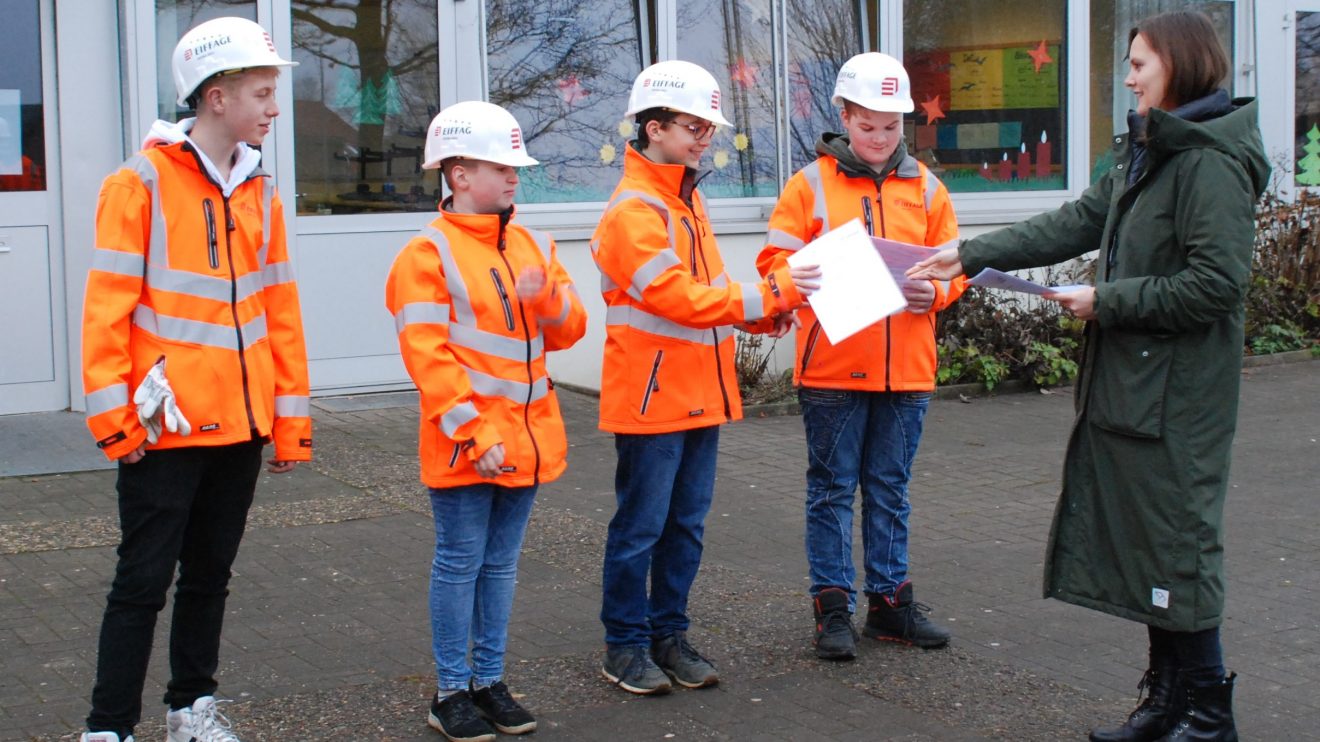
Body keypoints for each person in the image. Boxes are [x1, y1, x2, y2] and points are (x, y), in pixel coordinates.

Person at [910, 11, 1267, 741]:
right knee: (1148, 546)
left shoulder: (1208, 164)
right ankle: (1167, 701)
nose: (1128, 77)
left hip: (1179, 398)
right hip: (1137, 390)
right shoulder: (1151, 150)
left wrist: (1107, 300)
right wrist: (970, 254)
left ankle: (1206, 713)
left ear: (1182, 66)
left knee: (1179, 548)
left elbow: (1216, 287)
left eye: (1139, 64)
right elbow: (1077, 221)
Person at [79, 16, 308, 742]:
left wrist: (289, 421)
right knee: (141, 585)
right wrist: (114, 420)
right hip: (165, 429)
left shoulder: (259, 189)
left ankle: (190, 710)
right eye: (262, 92)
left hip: (239, 427)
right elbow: (105, 311)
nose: (274, 107)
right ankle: (108, 727)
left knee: (209, 579)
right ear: (216, 97)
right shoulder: (138, 182)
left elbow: (280, 311)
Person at [592, 60, 819, 695]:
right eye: (694, 126)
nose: (705, 137)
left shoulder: (685, 202)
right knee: (641, 528)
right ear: (654, 127)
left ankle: (668, 635)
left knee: (684, 527)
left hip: (695, 393)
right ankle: (625, 645)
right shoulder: (635, 210)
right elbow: (676, 297)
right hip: (653, 398)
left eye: (708, 128)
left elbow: (709, 292)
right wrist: (771, 292)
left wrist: (763, 317)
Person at [385, 100, 588, 742]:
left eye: (514, 168)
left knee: (498, 566)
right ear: (458, 172)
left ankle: (488, 681)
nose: (512, 179)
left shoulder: (531, 243)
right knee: (461, 561)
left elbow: (571, 329)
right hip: (470, 443)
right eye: (500, 166)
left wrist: (550, 298)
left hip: (524, 441)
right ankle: (451, 691)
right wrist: (476, 433)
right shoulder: (426, 255)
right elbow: (428, 356)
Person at [756, 52, 964, 661]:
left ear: (906, 124)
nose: (879, 138)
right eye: (867, 125)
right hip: (831, 368)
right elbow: (774, 266)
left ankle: (890, 606)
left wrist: (940, 290)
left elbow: (956, 269)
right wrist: (812, 276)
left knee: (890, 489)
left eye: (891, 127)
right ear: (843, 116)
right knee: (831, 489)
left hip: (907, 371)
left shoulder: (927, 189)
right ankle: (832, 610)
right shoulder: (808, 185)